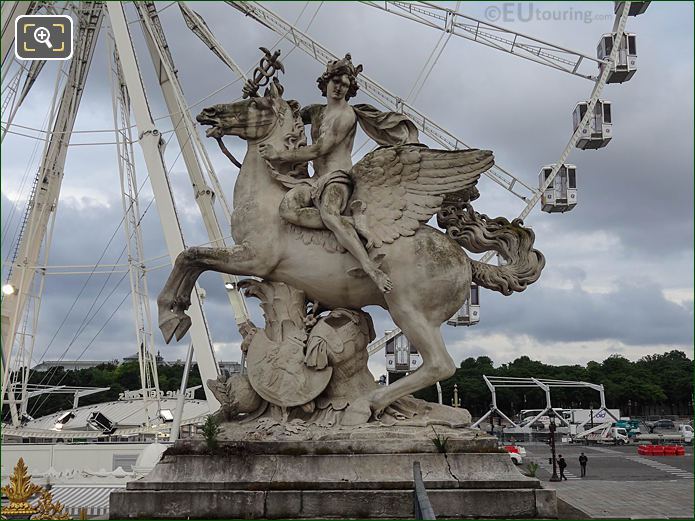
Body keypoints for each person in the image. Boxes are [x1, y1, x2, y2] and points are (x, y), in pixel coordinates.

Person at [259, 54, 417, 294]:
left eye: (344, 85)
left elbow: (320, 148)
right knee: (286, 209)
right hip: (314, 181)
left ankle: (370, 268)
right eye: (335, 82)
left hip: (338, 178)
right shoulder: (315, 112)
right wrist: (260, 97)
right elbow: (282, 118)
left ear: (349, 89)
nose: (339, 87)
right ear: (326, 83)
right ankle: (354, 222)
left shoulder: (346, 115)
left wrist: (279, 155)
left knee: (329, 215)